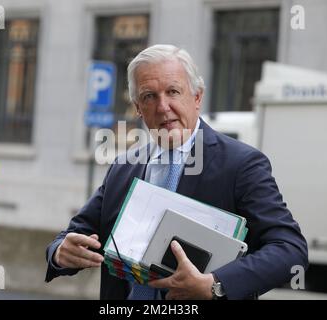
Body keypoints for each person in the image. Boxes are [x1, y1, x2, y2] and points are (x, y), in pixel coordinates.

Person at [45, 44, 308, 300]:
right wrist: (60, 253)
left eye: (173, 92)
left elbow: (290, 250)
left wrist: (215, 284)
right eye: (149, 96)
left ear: (196, 97)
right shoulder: (123, 167)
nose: (163, 107)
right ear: (137, 107)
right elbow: (73, 235)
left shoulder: (242, 165)